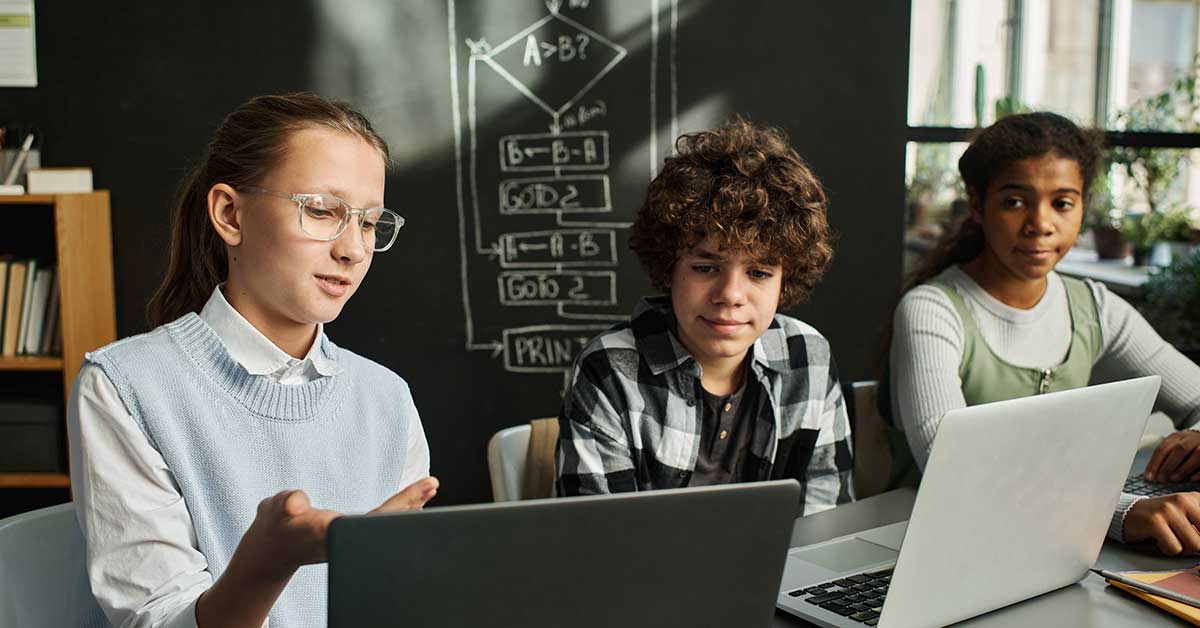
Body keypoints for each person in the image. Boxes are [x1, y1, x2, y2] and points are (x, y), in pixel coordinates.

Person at [67, 93, 438, 628]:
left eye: (369, 223)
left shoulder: (384, 397)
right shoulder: (126, 388)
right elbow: (158, 619)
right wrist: (265, 565)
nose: (353, 250)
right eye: (321, 211)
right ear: (229, 214)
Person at [887, 111, 1200, 555]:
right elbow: (952, 466)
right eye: (1015, 202)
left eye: (1062, 203)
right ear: (978, 205)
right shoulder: (931, 311)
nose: (1040, 223)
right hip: (940, 547)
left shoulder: (1095, 308)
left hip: (1055, 544)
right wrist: (1118, 512)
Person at [555, 117, 853, 514]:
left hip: (787, 574)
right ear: (669, 267)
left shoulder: (809, 357)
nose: (730, 295)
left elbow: (826, 520)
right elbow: (601, 541)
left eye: (759, 273)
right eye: (705, 267)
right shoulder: (610, 369)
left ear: (786, 279)